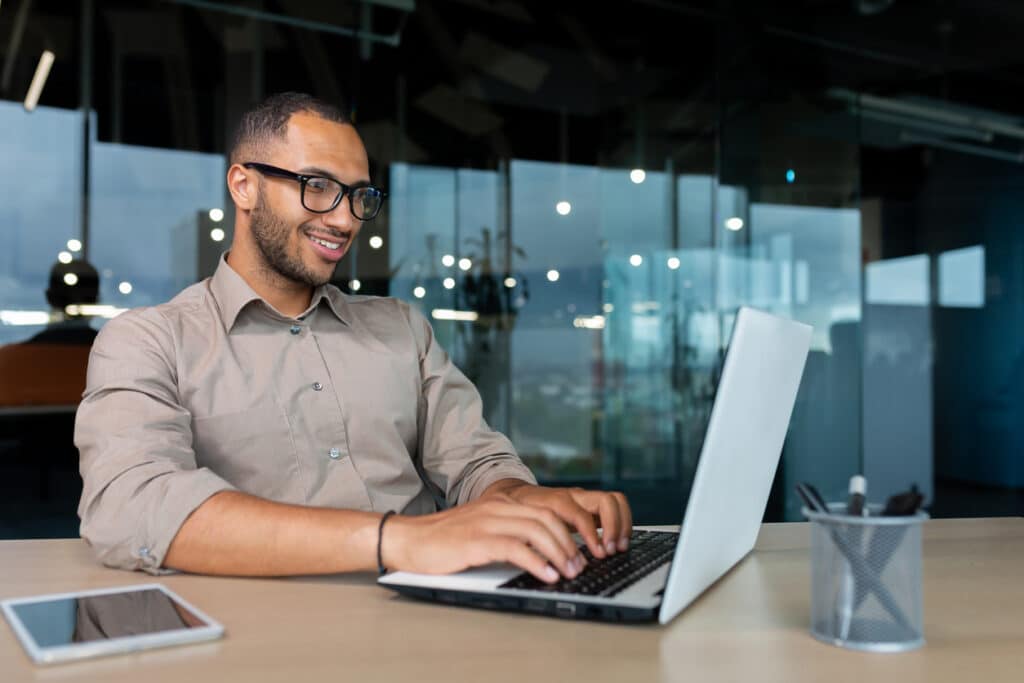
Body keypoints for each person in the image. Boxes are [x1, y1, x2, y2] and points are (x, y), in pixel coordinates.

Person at [75, 92, 632, 584]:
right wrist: (402, 540)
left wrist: (525, 502)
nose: (344, 221)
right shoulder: (147, 342)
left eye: (359, 196)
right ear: (244, 186)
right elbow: (132, 507)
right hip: (260, 643)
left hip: (433, 616)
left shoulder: (401, 329)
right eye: (317, 187)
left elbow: (474, 461)